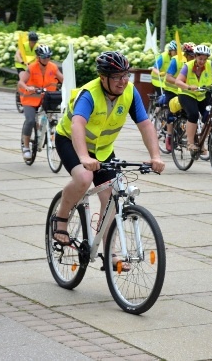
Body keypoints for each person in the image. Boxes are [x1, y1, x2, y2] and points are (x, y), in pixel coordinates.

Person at [53, 51, 165, 268]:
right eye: (116, 77)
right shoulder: (89, 94)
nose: (123, 81)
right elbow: (77, 125)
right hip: (70, 141)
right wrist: (84, 156)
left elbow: (145, 125)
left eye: (125, 75)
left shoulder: (130, 93)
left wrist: (155, 156)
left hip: (103, 150)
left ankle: (109, 253)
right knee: (84, 178)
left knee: (112, 194)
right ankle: (62, 219)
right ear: (103, 77)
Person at [175, 45, 212, 155]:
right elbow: (178, 81)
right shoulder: (187, 66)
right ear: (195, 57)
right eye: (200, 58)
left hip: (201, 95)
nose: (202, 61)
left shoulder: (210, 65)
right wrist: (188, 86)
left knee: (209, 117)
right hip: (186, 94)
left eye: (205, 59)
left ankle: (201, 143)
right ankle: (190, 143)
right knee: (193, 114)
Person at [18, 44, 64, 160]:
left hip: (46, 98)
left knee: (54, 119)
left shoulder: (53, 67)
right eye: (44, 57)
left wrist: (68, 85)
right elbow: (21, 82)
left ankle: (49, 134)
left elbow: (63, 79)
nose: (46, 59)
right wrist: (27, 88)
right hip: (30, 99)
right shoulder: (32, 67)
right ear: (38, 57)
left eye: (48, 57)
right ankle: (26, 147)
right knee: (30, 120)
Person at [162, 42, 195, 152]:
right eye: (191, 55)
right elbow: (168, 77)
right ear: (185, 54)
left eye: (195, 55)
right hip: (172, 90)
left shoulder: (197, 63)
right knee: (171, 112)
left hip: (186, 92)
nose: (193, 58)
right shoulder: (176, 60)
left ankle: (188, 136)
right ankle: (169, 136)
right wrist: (179, 82)